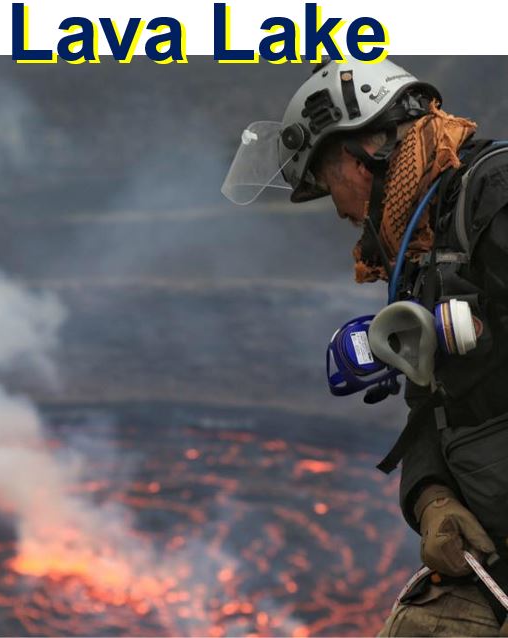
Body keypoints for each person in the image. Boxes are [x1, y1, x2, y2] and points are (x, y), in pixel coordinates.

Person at [222, 57, 508, 636]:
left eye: (328, 181)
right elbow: (438, 408)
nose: (340, 209)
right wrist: (431, 500)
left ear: (364, 150)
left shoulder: (494, 194)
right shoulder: (427, 251)